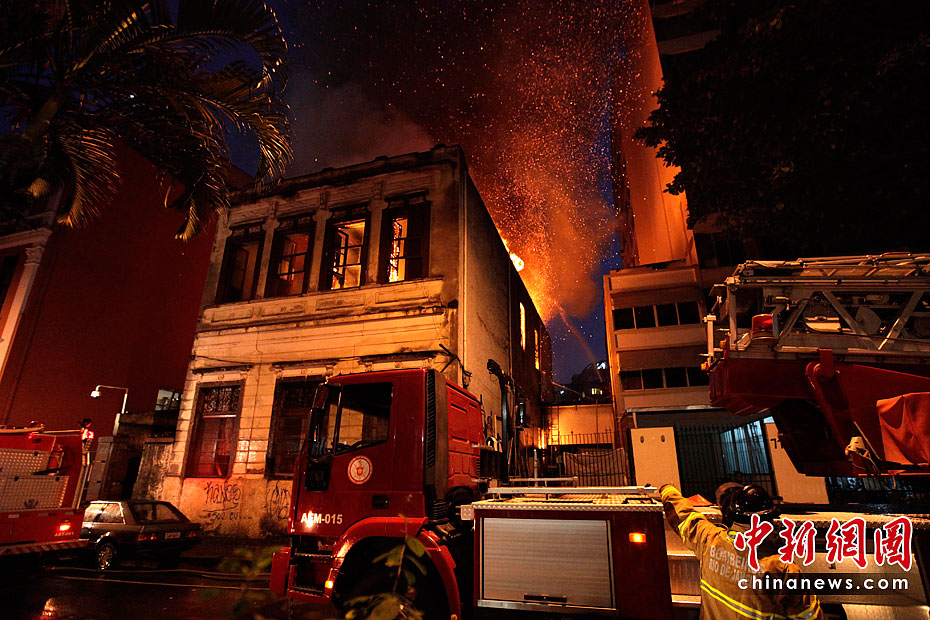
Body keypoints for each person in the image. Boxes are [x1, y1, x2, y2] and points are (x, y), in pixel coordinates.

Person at [659, 483, 823, 620]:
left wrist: (667, 489)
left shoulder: (710, 540)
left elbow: (683, 516)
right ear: (770, 518)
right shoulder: (783, 568)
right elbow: (809, 616)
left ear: (731, 515)